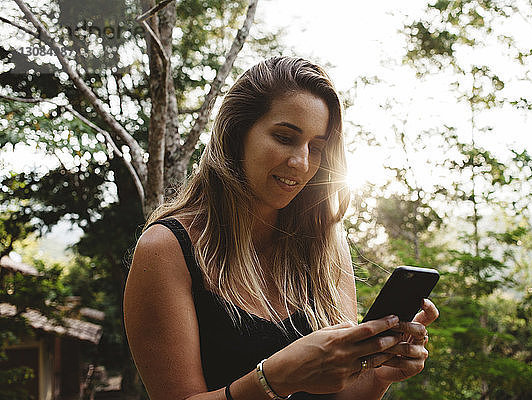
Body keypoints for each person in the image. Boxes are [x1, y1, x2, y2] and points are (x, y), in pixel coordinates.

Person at [123, 56, 439, 400]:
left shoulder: (326, 244)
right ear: (236, 134)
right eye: (285, 137)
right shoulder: (168, 249)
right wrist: (272, 380)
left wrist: (378, 376)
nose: (301, 162)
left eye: (315, 147)